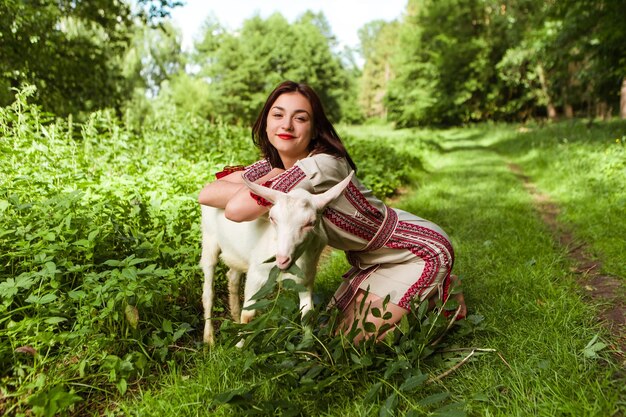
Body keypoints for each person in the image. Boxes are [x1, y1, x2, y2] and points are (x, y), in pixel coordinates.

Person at [198, 80, 466, 342]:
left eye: (300, 118)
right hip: (369, 262)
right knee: (330, 331)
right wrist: (271, 176)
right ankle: (425, 292)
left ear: (315, 128)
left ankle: (440, 295)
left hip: (416, 250)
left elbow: (234, 209)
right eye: (277, 114)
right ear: (265, 121)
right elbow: (207, 193)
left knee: (349, 343)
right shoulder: (274, 165)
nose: (286, 125)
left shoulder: (319, 166)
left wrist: (265, 182)